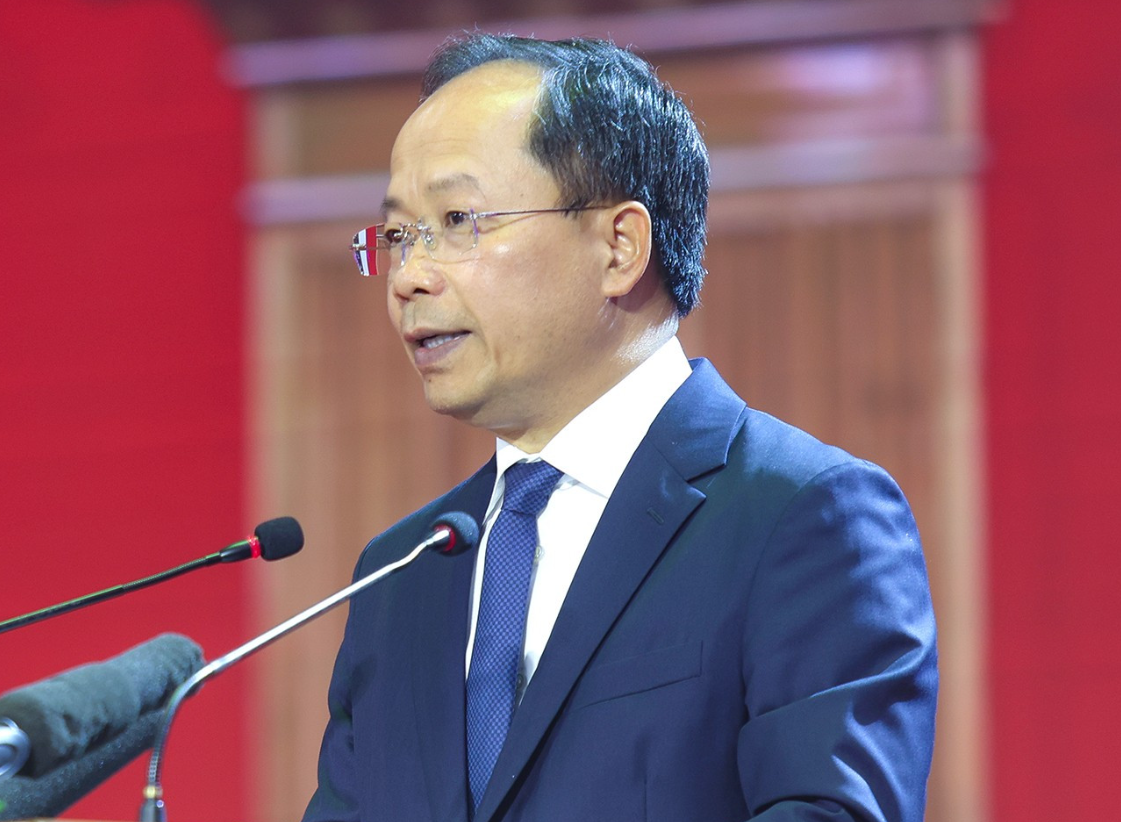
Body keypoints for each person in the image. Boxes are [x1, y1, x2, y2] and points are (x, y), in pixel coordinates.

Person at [304, 32, 938, 822]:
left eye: (458, 219)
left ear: (618, 246)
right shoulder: (400, 574)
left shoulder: (802, 516)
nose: (408, 277)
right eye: (399, 235)